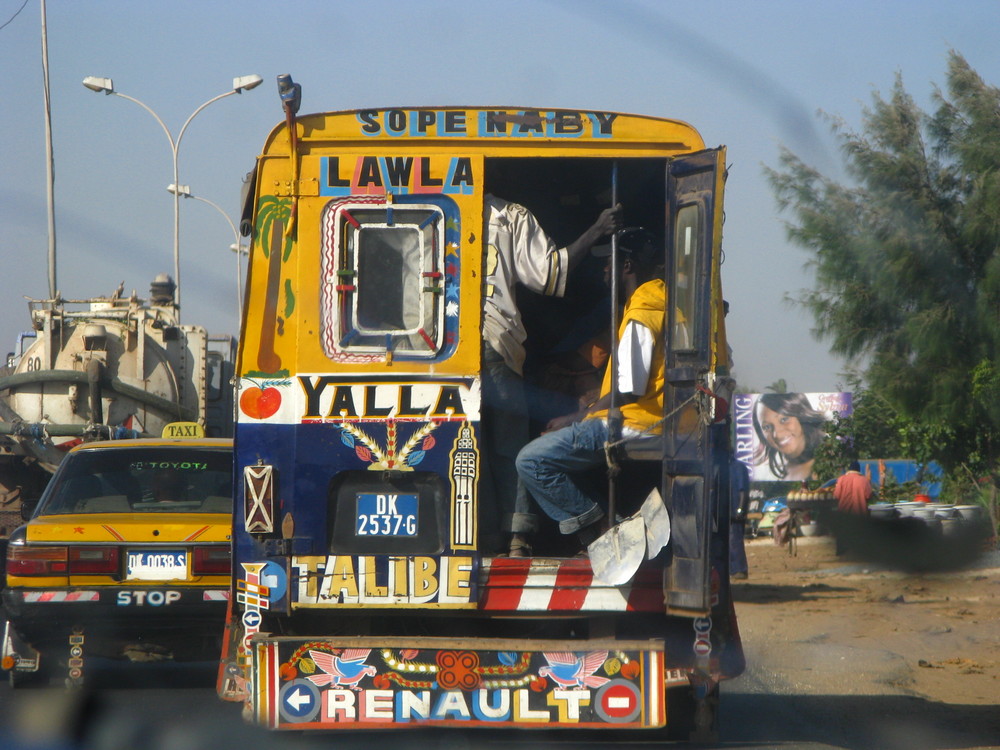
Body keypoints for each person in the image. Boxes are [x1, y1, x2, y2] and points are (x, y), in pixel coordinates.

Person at [481, 194, 622, 556]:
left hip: (428, 352)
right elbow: (548, 273)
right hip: (495, 344)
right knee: (508, 448)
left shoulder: (403, 198)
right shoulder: (509, 215)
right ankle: (517, 538)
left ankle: (475, 538)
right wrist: (597, 229)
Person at [515, 228, 664, 549]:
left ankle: (607, 530)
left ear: (627, 266)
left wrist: (576, 417)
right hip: (641, 417)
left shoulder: (641, 315)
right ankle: (595, 535)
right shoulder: (657, 304)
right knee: (554, 449)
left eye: (610, 262)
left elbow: (629, 390)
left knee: (530, 460)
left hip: (633, 422)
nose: (605, 270)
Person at [752, 392, 827, 481]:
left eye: (784, 419)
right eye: (767, 427)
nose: (777, 435)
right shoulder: (782, 471)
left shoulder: (829, 463)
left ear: (801, 417)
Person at [832, 460, 873, 555]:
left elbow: (836, 495)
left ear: (849, 469)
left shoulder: (841, 479)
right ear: (858, 470)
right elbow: (869, 496)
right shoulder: (864, 480)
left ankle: (840, 551)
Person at [729, 457, 751, 580]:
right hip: (725, 512)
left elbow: (743, 491)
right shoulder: (722, 468)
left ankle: (740, 570)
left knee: (735, 541)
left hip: (736, 512)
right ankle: (732, 570)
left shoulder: (738, 467)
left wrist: (740, 509)